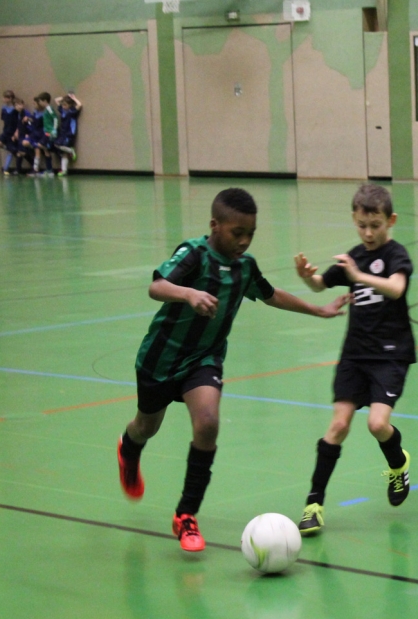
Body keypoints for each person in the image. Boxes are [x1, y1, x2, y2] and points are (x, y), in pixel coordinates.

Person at [116, 188, 349, 552]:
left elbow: (271, 294)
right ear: (215, 225)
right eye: (236, 233)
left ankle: (186, 515)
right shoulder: (194, 254)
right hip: (160, 359)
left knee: (208, 422)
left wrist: (318, 310)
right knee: (147, 426)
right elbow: (156, 286)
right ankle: (129, 448)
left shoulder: (245, 266)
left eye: (250, 234)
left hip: (204, 360)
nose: (243, 241)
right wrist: (189, 294)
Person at [293, 183, 416, 535]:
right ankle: (314, 504)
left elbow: (396, 288)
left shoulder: (395, 255)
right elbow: (321, 284)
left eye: (375, 225)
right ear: (354, 220)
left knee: (377, 424)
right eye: (362, 225)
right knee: (339, 425)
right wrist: (308, 278)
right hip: (355, 355)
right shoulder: (353, 255)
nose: (368, 233)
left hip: (390, 355)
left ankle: (398, 463)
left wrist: (359, 276)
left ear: (390, 221)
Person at [53, 94, 82, 176]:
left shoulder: (72, 112)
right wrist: (65, 97)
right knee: (63, 153)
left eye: (65, 105)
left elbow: (79, 105)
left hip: (69, 133)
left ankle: (71, 150)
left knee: (57, 144)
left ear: (70, 105)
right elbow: (56, 100)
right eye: (63, 104)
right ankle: (64, 170)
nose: (63, 106)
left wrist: (74, 98)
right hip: (62, 132)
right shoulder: (62, 111)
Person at [0, 90, 20, 176]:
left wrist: (17, 131)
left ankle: (6, 168)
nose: (4, 99)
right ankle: (10, 149)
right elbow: (3, 119)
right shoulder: (4, 108)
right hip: (6, 130)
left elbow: (19, 121)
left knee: (10, 152)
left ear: (10, 98)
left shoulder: (15, 109)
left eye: (6, 98)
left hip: (12, 132)